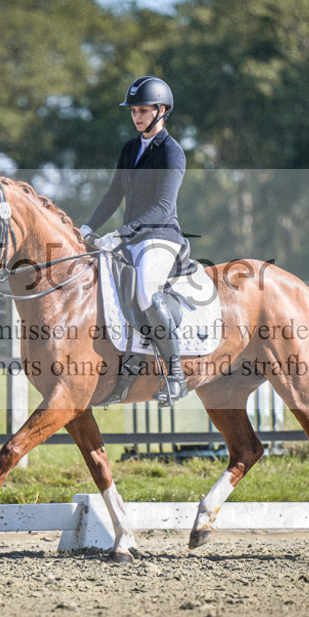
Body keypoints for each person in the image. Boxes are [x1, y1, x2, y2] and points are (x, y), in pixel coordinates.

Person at [79, 76, 188, 405]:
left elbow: (162, 208)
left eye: (142, 110)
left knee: (145, 293)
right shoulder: (130, 148)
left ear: (161, 111)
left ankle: (176, 376)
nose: (136, 116)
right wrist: (87, 227)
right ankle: (121, 371)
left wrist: (118, 234)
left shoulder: (172, 152)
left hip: (160, 238)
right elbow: (113, 196)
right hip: (127, 240)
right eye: (133, 111)